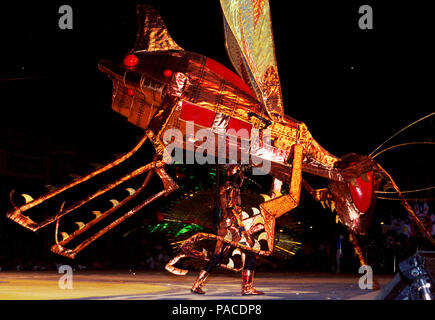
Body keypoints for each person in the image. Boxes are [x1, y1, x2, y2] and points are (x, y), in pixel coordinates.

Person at [190, 164, 263, 295]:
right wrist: (241, 228)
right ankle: (247, 287)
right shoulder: (232, 188)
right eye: (241, 175)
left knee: (217, 257)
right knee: (250, 254)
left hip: (224, 226)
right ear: (238, 174)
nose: (242, 178)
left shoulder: (222, 188)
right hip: (234, 227)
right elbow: (231, 208)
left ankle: (197, 285)